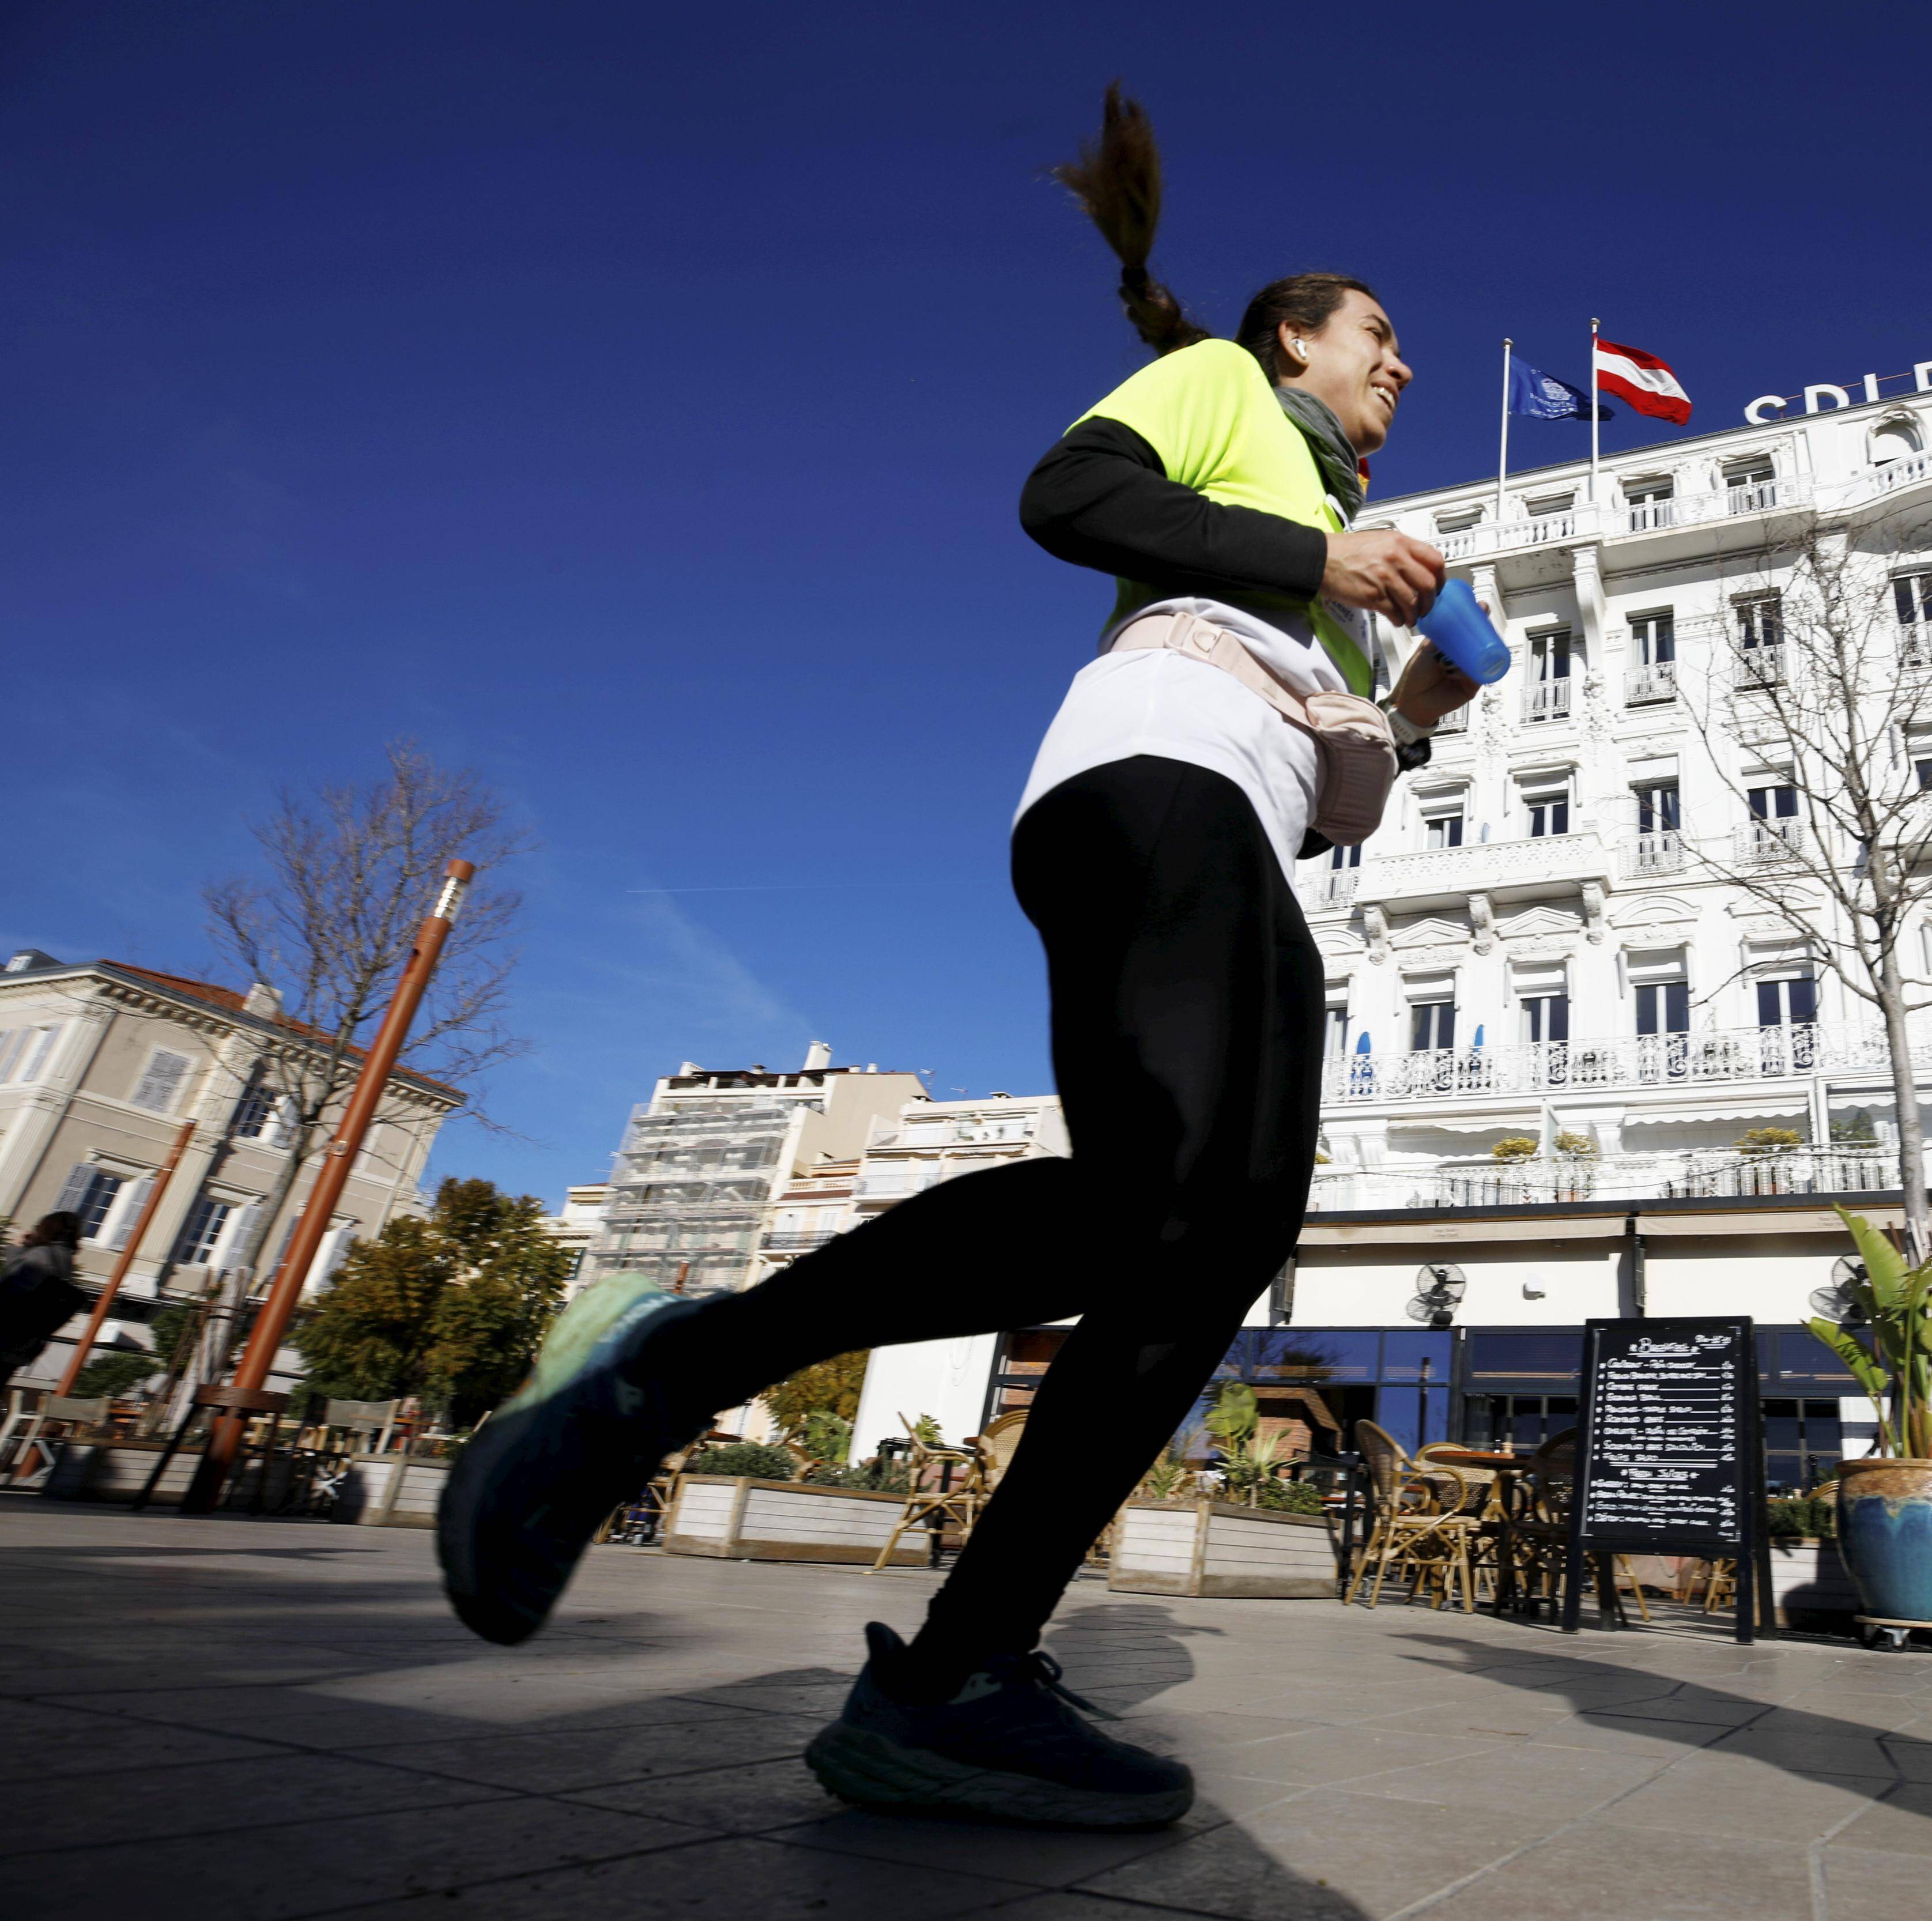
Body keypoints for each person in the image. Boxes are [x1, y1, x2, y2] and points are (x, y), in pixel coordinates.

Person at [437, 88, 1476, 1826]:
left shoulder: (1329, 543)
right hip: (1145, 786)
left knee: (1191, 1229)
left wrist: (1410, 710)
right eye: (1380, 334)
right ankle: (686, 1400)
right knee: (1192, 1207)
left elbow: (1310, 800)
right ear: (1294, 338)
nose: (1403, 364)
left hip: (1220, 828)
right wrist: (1319, 555)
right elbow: (1067, 495)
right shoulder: (1224, 391)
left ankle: (943, 1665)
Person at [0, 1213, 88, 1385]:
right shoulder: (65, 1259)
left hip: (5, 1338)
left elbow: (12, 1291)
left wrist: (17, 1249)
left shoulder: (41, 1255)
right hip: (20, 1346)